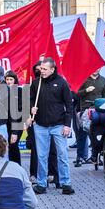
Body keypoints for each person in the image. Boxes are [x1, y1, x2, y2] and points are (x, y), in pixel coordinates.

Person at [27, 58, 74, 195]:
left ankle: (66, 183)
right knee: (41, 156)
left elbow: (69, 105)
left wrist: (67, 125)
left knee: (62, 155)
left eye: (44, 69)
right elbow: (30, 99)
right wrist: (31, 108)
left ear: (52, 69)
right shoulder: (36, 83)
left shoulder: (62, 83)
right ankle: (42, 184)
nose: (41, 71)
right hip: (40, 125)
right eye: (41, 69)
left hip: (58, 125)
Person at [75, 69, 105, 167]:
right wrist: (86, 90)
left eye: (99, 67)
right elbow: (77, 94)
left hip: (97, 110)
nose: (97, 69)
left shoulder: (103, 80)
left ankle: (96, 156)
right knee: (82, 134)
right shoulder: (84, 79)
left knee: (96, 134)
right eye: (95, 67)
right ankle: (80, 157)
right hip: (85, 109)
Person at [4, 70, 22, 166]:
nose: (9, 81)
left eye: (11, 79)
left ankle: (17, 167)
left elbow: (22, 108)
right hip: (5, 124)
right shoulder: (2, 92)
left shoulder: (19, 91)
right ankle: (9, 167)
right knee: (7, 147)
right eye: (7, 79)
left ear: (15, 80)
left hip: (17, 124)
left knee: (14, 145)